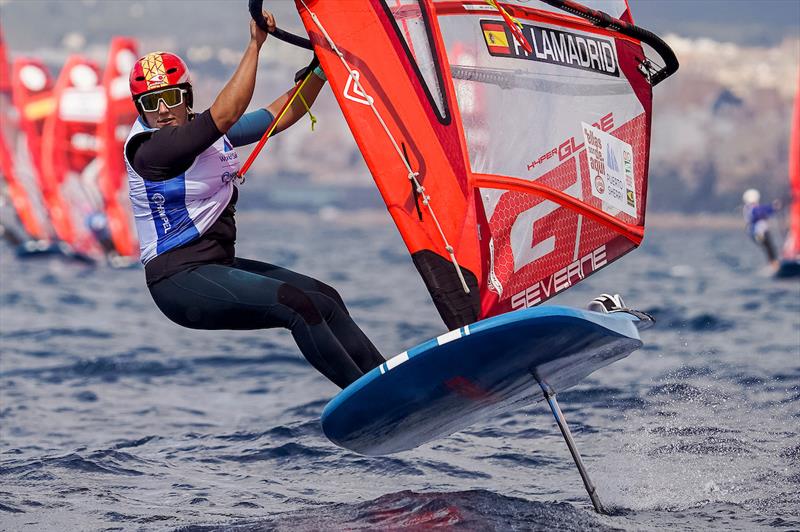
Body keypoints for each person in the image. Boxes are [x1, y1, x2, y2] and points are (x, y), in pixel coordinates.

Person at [123, 11, 384, 389]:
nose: (162, 111)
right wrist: (255, 45)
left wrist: (321, 69)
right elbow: (226, 114)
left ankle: (388, 382)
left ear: (186, 98)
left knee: (324, 297)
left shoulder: (202, 132)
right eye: (151, 103)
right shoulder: (150, 150)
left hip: (214, 266)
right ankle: (368, 400)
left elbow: (279, 115)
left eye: (169, 98)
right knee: (296, 305)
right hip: (178, 281)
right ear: (141, 110)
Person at [742, 188, 781, 269]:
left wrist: (773, 207)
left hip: (757, 233)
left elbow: (763, 209)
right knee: (770, 247)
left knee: (769, 247)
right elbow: (760, 211)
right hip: (759, 233)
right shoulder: (751, 208)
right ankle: (774, 265)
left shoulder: (749, 207)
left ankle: (773, 264)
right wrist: (773, 207)